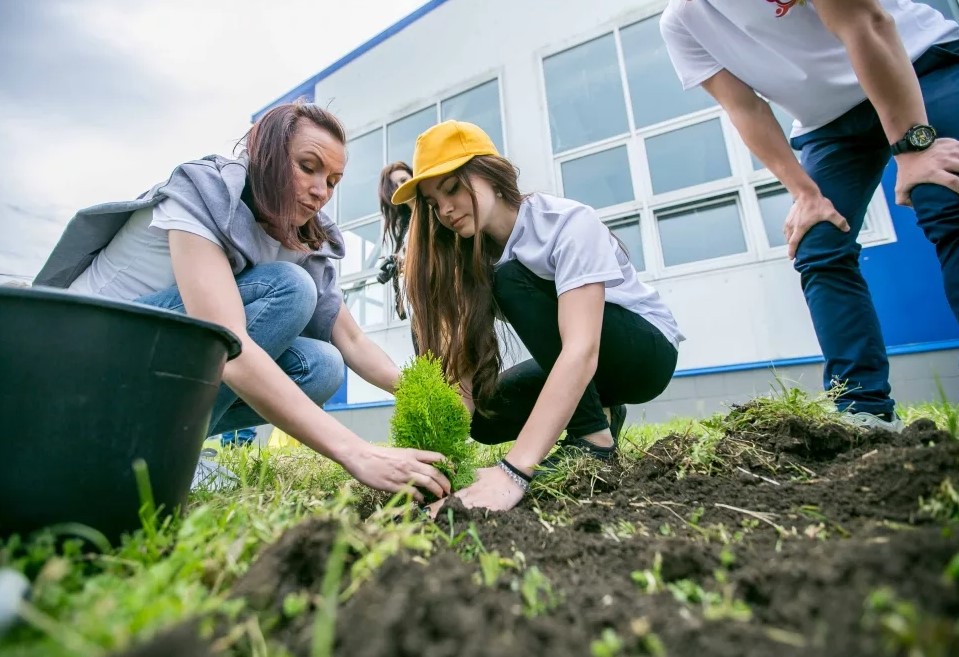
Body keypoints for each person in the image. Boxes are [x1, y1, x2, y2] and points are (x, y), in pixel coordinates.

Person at [34, 101, 450, 503]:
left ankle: (163, 450)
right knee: (289, 288)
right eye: (307, 167)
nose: (320, 190)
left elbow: (353, 340)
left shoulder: (300, 235)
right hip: (79, 357)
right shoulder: (205, 193)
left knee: (323, 365)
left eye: (332, 181)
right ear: (266, 155)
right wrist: (358, 452)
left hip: (149, 367)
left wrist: (430, 392)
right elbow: (228, 341)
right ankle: (168, 455)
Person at [660, 0, 959, 431]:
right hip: (829, 122)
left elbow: (867, 25)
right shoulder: (683, 22)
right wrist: (805, 193)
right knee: (817, 241)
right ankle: (863, 411)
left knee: (943, 193)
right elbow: (745, 108)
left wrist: (913, 147)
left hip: (916, 63)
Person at [393, 121, 684, 512]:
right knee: (485, 415)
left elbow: (581, 348)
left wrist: (514, 470)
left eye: (452, 188)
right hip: (586, 362)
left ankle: (593, 439)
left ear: (491, 173)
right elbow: (463, 364)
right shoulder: (468, 254)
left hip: (645, 355)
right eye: (432, 202)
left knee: (510, 278)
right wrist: (442, 460)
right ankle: (605, 411)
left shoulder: (565, 223)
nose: (444, 209)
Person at [376, 161, 421, 353]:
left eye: (404, 180)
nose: (401, 186)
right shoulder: (406, 227)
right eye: (394, 185)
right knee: (431, 373)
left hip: (448, 304)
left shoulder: (434, 211)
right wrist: (395, 263)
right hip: (418, 311)